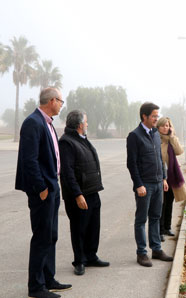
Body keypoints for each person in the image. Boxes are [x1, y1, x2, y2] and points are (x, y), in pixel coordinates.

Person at [15, 87, 72, 298]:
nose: (61, 105)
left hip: (52, 186)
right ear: (52, 101)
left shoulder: (47, 123)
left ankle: (49, 278)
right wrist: (41, 188)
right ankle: (36, 287)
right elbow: (29, 160)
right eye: (60, 101)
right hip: (43, 189)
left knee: (52, 235)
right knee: (41, 236)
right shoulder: (33, 123)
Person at [59, 110, 110, 276]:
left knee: (94, 227)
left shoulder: (83, 139)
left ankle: (91, 256)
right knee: (79, 228)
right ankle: (79, 260)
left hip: (92, 191)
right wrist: (77, 194)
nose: (87, 124)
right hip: (79, 195)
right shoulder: (67, 142)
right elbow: (67, 172)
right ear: (80, 125)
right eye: (86, 122)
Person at [126, 102, 174, 267]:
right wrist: (138, 184)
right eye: (154, 116)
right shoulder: (134, 136)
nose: (156, 119)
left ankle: (156, 249)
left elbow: (160, 158)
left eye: (157, 116)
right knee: (141, 219)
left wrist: (164, 178)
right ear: (144, 116)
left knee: (155, 217)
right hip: (144, 185)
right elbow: (132, 163)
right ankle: (141, 253)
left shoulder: (155, 134)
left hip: (158, 183)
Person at [156, 117, 186, 242]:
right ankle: (159, 230)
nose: (166, 128)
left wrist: (173, 136)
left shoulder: (171, 140)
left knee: (169, 202)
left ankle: (167, 228)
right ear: (158, 127)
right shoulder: (155, 139)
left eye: (168, 125)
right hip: (160, 176)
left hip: (171, 175)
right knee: (161, 204)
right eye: (163, 125)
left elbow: (179, 151)